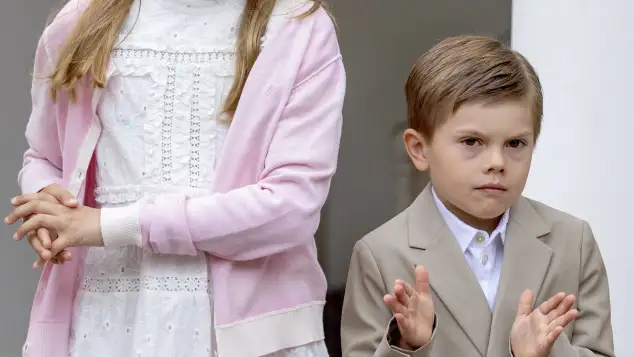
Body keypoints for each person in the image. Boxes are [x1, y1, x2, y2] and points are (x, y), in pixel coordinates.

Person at [5, 0, 345, 356]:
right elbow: (46, 155)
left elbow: (292, 207)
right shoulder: (83, 19)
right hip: (102, 321)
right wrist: (49, 200)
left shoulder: (296, 26)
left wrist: (112, 224)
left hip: (247, 335)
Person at [340, 36, 614, 357]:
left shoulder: (573, 242)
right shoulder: (380, 254)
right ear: (419, 149)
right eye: (472, 142)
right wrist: (407, 345)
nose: (496, 163)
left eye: (515, 144)